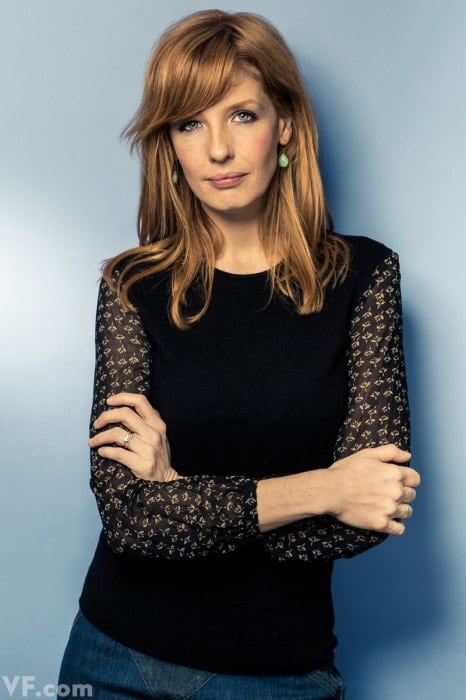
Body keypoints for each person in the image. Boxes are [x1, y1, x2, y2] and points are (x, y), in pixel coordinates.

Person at [58, 9, 420, 699]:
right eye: (189, 124)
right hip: (114, 657)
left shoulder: (366, 277)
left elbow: (373, 508)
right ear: (169, 145)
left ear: (285, 125)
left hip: (279, 675)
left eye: (242, 115)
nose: (218, 149)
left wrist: (179, 497)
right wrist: (323, 490)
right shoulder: (130, 286)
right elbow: (130, 519)